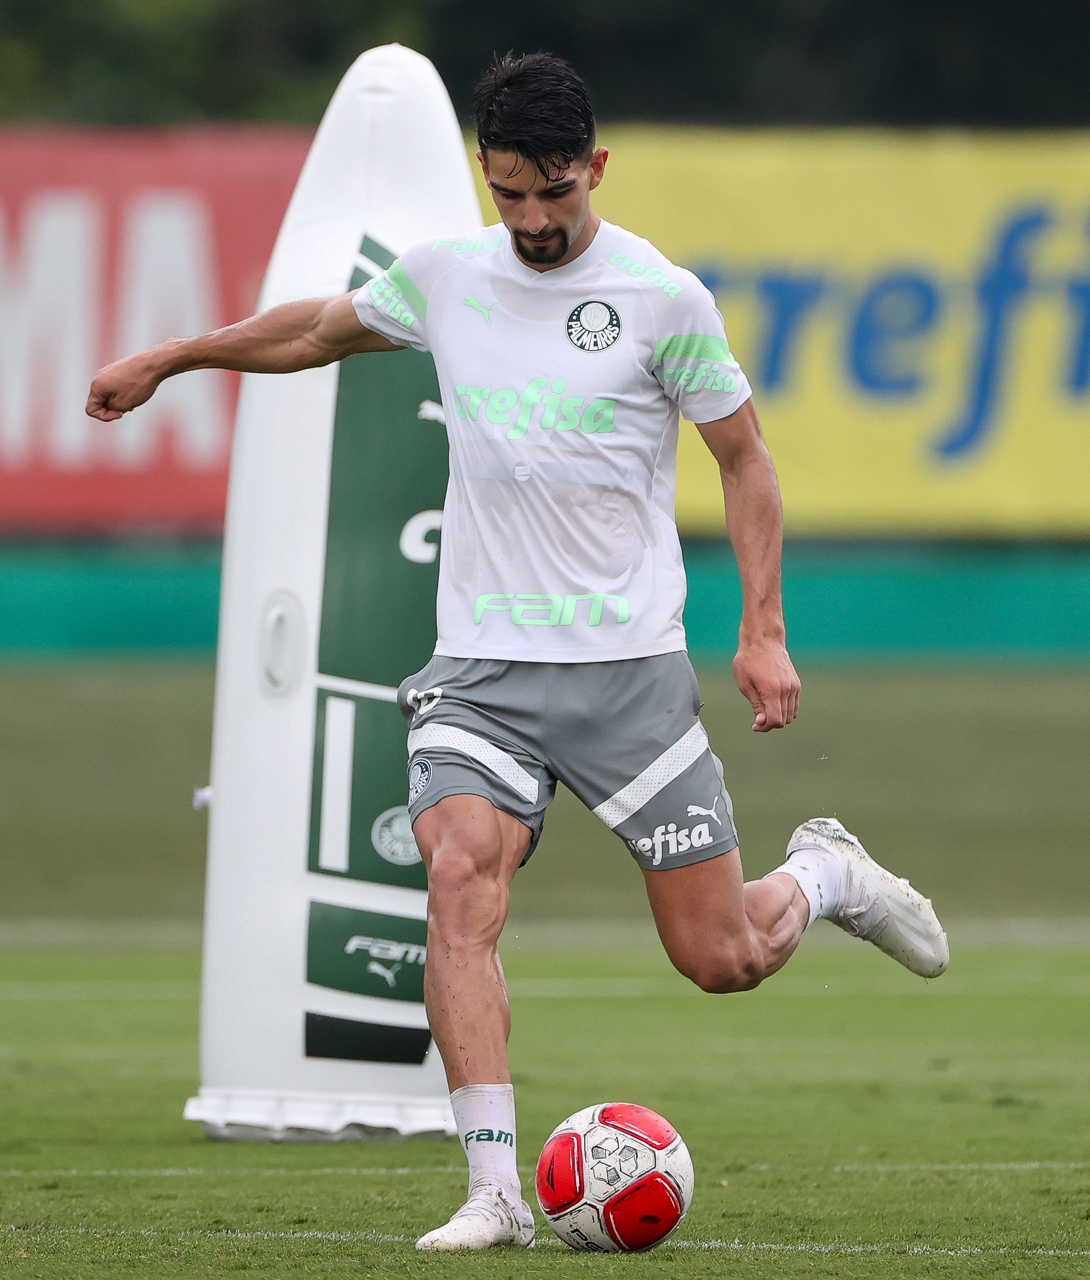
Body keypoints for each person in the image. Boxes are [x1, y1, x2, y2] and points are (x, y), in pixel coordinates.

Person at [86, 51, 949, 1253]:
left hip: (628, 675)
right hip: (481, 672)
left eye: (555, 192)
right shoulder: (448, 276)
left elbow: (743, 457)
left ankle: (827, 875)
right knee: (456, 876)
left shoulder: (661, 298)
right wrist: (170, 356)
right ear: (485, 177)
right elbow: (317, 329)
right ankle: (493, 1189)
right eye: (510, 194)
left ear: (595, 167)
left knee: (723, 956)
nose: (534, 219)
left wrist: (762, 629)